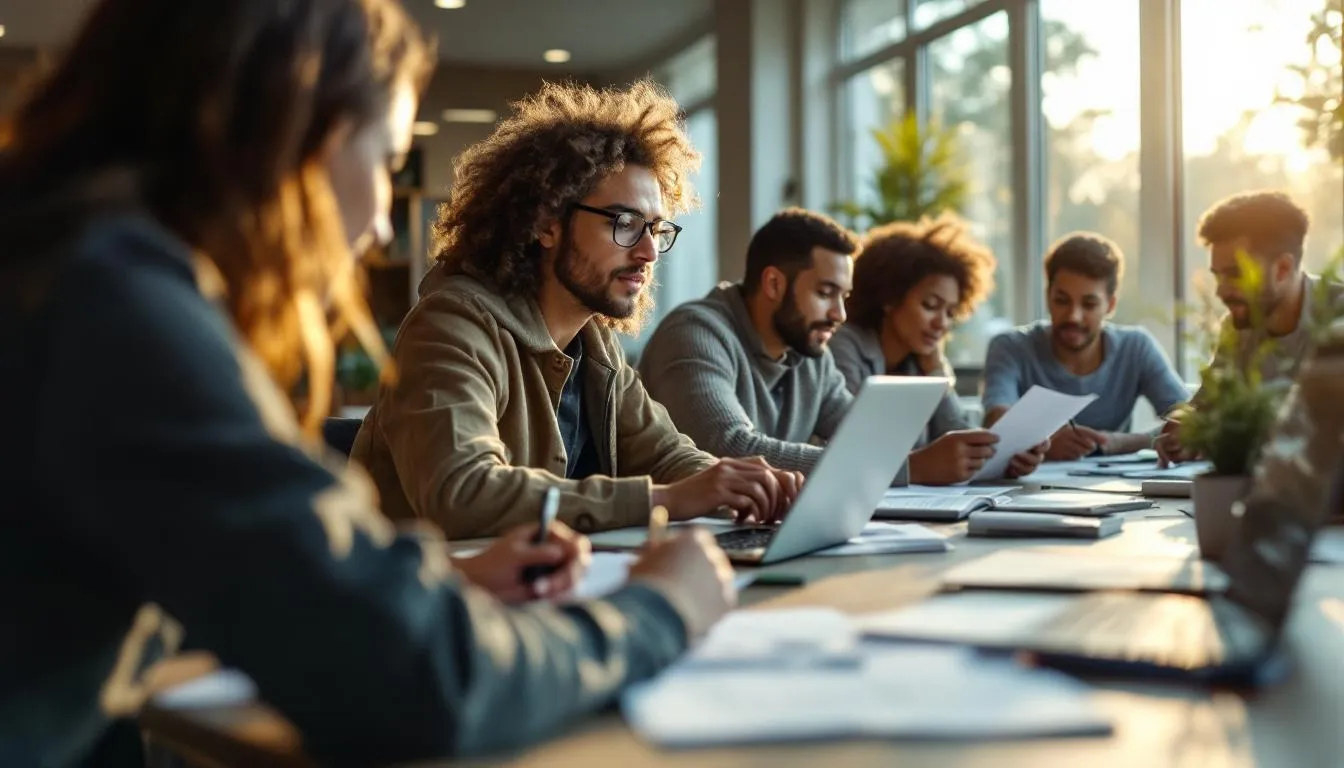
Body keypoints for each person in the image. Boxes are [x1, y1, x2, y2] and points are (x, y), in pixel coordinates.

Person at [0, 2, 737, 765]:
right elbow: (421, 677)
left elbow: (222, 579)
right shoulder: (115, 308)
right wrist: (659, 610)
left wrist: (439, 579)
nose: (383, 226)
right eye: (386, 162)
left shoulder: (58, 267)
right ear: (293, 135)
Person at [352, 80, 800, 539]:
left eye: (656, 229)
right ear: (547, 224)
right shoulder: (451, 326)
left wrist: (741, 487)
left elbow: (666, 456)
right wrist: (663, 500)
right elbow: (463, 492)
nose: (649, 252)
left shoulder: (594, 343)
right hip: (434, 582)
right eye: (625, 223)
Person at [637, 208, 863, 473]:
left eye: (844, 297)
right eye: (825, 293)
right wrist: (868, 465)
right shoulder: (693, 334)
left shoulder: (810, 353)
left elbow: (864, 436)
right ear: (774, 284)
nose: (839, 314)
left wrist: (888, 459)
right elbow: (728, 448)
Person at [827, 215, 1048, 483]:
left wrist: (1008, 461)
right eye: (930, 306)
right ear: (889, 298)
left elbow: (958, 433)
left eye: (950, 313)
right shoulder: (844, 345)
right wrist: (921, 465)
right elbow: (854, 446)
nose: (941, 323)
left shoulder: (919, 360)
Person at [1156, 191, 1344, 464]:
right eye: (1218, 276)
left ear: (1282, 268)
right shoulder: (1237, 328)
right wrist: (1186, 431)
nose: (1221, 292)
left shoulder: (1337, 316)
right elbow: (1204, 408)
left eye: (1235, 274)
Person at [981, 233, 1188, 460]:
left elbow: (1186, 420)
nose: (1074, 316)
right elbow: (996, 419)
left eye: (1089, 304)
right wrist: (1045, 442)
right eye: (1062, 300)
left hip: (1115, 480)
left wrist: (1116, 443)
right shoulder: (1010, 347)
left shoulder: (1136, 347)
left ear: (1110, 305)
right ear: (1048, 296)